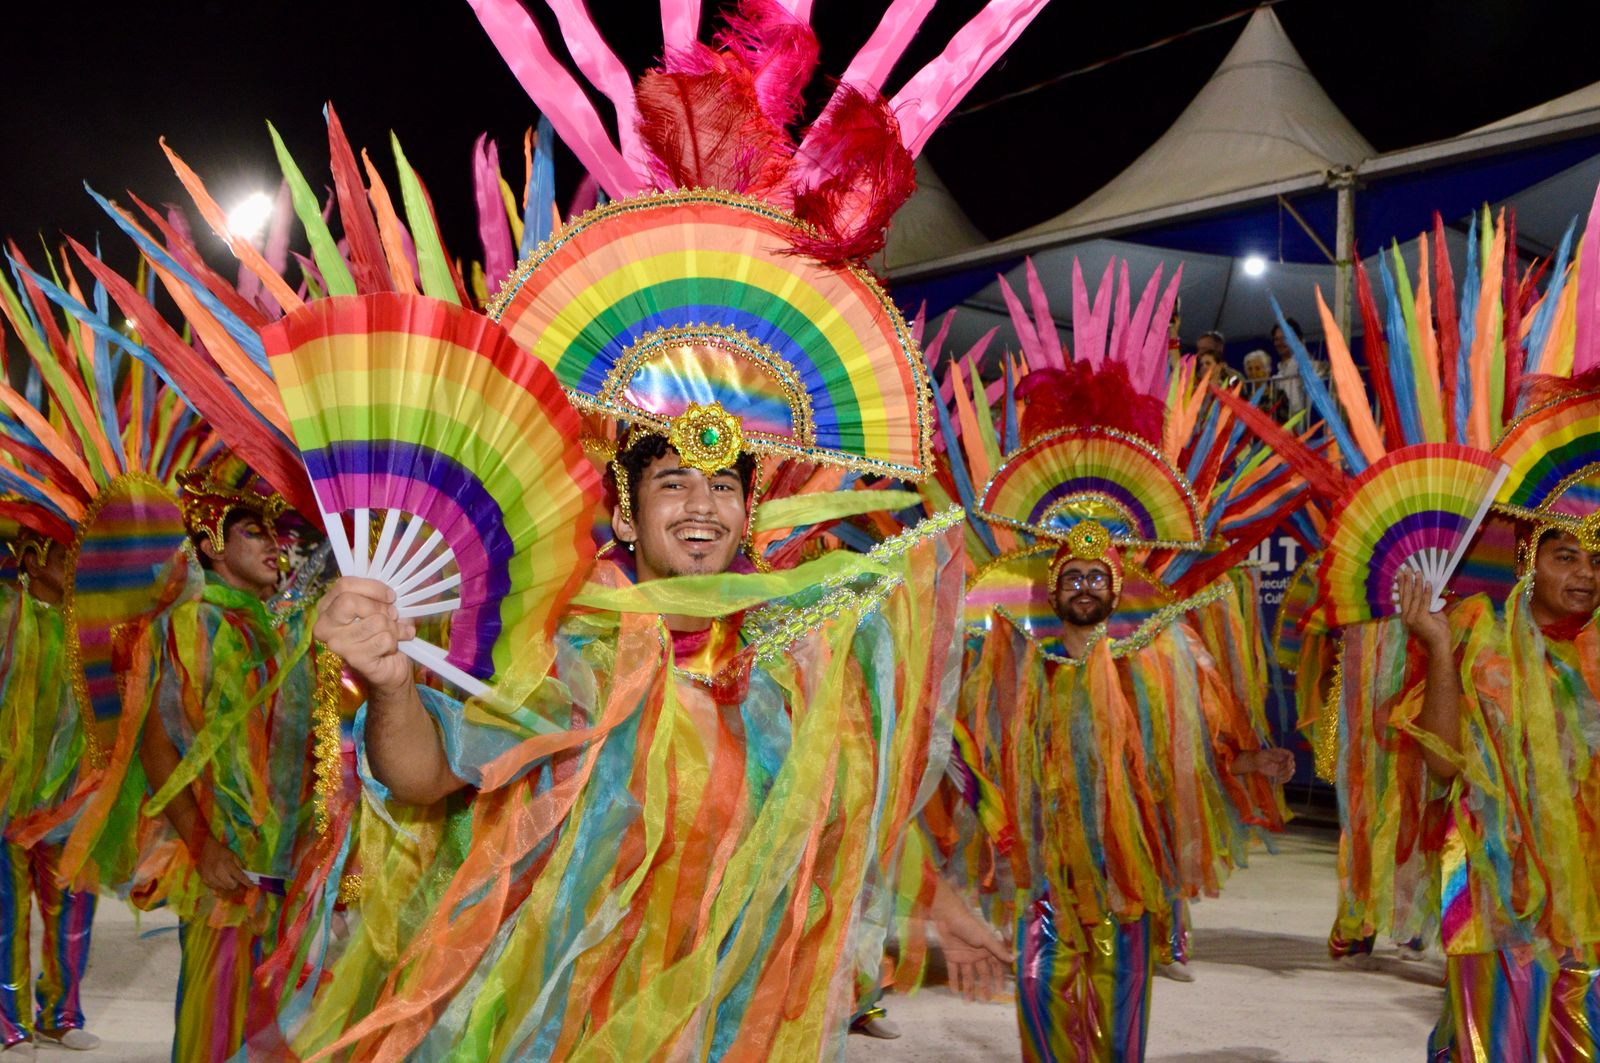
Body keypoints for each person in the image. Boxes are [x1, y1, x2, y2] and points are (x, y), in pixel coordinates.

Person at [126, 456, 332, 1061]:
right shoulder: (193, 623)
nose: (274, 544)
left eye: (274, 532)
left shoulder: (281, 627)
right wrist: (201, 843)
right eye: (253, 532)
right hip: (226, 868)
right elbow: (158, 745)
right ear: (213, 545)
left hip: (289, 866)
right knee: (215, 1028)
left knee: (279, 1027)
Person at [0, 532, 99, 1057]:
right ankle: (9, 1020)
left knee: (74, 909)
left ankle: (61, 1015)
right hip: (6, 799)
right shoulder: (7, 615)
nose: (77, 566)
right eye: (66, 556)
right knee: (6, 914)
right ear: (33, 560)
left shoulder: (91, 626)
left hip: (72, 798)